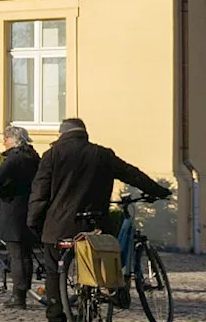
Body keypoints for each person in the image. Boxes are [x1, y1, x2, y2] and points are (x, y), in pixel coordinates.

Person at [28, 118, 171, 322]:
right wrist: (158, 191)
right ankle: (102, 300)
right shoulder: (102, 154)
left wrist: (34, 223)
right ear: (84, 134)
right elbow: (132, 174)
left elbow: (39, 193)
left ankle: (56, 315)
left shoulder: (52, 155)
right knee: (100, 264)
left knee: (53, 272)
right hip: (95, 226)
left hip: (58, 227)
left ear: (61, 135)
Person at [0, 125, 40, 309]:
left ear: (12, 140)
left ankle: (18, 297)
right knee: (25, 254)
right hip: (30, 209)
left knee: (16, 254)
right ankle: (23, 290)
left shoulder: (14, 158)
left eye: (5, 139)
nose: (3, 142)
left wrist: (5, 193)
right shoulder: (34, 157)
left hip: (13, 211)